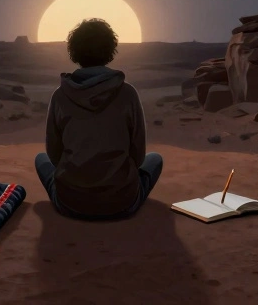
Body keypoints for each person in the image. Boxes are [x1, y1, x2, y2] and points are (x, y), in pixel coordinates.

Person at [34, 18, 163, 220]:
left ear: (74, 51)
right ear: (110, 50)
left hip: (70, 203)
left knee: (40, 159)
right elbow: (138, 157)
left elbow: (54, 156)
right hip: (122, 203)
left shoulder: (60, 95)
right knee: (155, 159)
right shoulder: (128, 93)